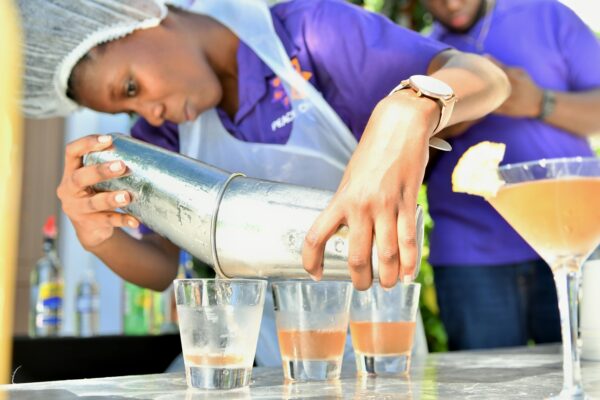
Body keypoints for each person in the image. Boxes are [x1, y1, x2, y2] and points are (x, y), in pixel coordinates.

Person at [19, 0, 509, 365]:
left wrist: (411, 107)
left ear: (142, 13)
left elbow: (486, 77)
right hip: (261, 365)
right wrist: (98, 238)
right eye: (128, 109)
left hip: (379, 355)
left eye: (131, 87)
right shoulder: (161, 133)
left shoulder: (309, 33)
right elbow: (162, 266)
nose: (147, 111)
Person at [421, 0, 600, 350]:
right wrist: (449, 118)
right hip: (471, 254)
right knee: (488, 383)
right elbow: (410, 162)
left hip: (575, 234)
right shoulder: (421, 54)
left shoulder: (548, 15)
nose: (452, 3)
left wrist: (538, 102)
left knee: (590, 370)